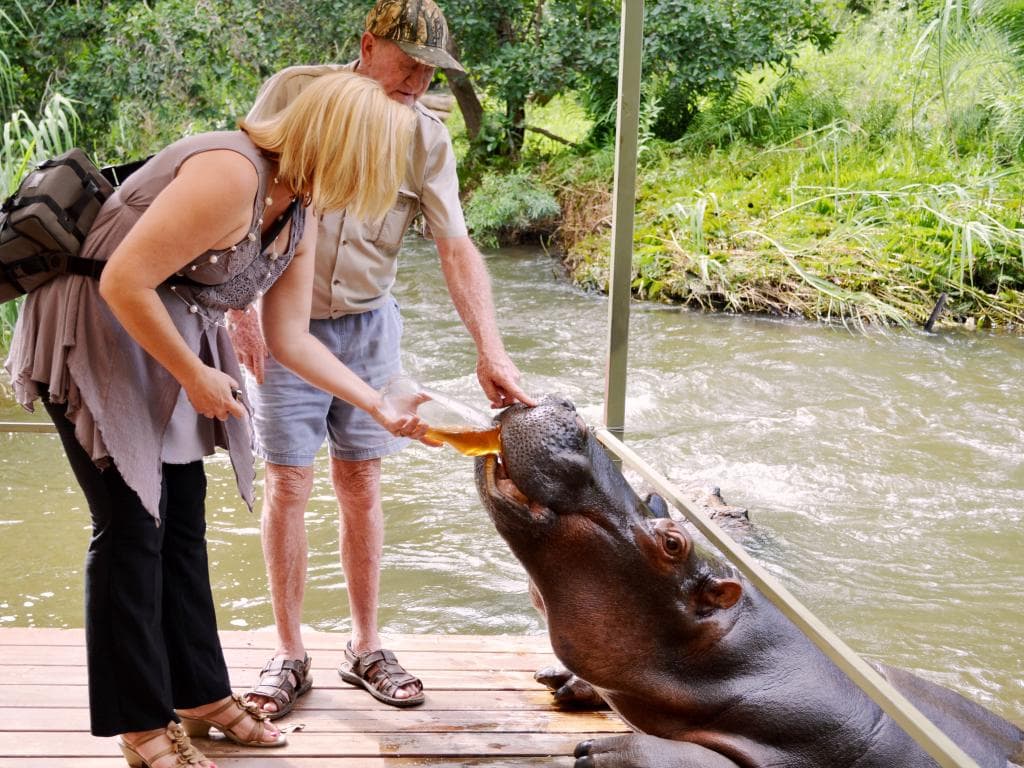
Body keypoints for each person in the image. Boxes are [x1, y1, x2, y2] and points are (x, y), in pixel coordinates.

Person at [4, 72, 422, 768]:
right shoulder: (232, 173)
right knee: (133, 527)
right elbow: (120, 280)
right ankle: (140, 726)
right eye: (380, 155)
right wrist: (195, 373)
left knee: (184, 518)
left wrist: (376, 402)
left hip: (158, 339)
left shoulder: (301, 203)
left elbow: (291, 337)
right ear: (345, 143)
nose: (384, 174)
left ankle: (200, 696)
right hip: (95, 330)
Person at [230, 0, 535, 717]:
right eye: (409, 62)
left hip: (369, 327)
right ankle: (288, 652)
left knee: (361, 481)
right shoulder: (291, 92)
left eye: (433, 68)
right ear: (368, 46)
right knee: (288, 485)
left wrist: (490, 352)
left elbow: (456, 245)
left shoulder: (426, 134)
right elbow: (245, 203)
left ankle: (366, 646)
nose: (420, 77)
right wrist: (239, 308)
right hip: (284, 321)